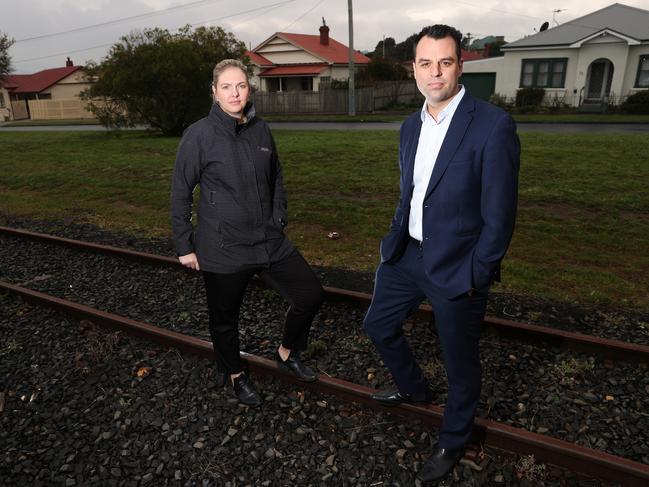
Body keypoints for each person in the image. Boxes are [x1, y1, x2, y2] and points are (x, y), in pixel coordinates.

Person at [363, 25, 520, 483]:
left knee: (460, 361)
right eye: (425, 63)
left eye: (445, 62)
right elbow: (410, 192)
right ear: (413, 69)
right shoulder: (410, 126)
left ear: (459, 66)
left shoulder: (493, 125)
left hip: (458, 266)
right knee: (377, 324)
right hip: (407, 255)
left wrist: (479, 272)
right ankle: (413, 390)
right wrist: (394, 237)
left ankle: (454, 438)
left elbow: (500, 215)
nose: (435, 73)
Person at [170, 59, 324, 408]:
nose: (235, 93)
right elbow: (181, 190)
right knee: (224, 319)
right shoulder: (199, 135)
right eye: (226, 86)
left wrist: (278, 216)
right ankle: (236, 374)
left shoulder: (261, 130)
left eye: (240, 85)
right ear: (214, 92)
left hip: (268, 240)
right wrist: (185, 244)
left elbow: (276, 176)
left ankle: (287, 352)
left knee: (310, 294)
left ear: (249, 89)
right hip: (223, 246)